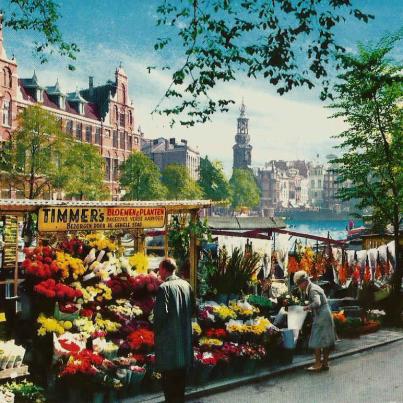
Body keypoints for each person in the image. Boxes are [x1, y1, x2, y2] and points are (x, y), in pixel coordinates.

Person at [153, 257, 194, 403]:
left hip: (169, 347)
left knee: (169, 388)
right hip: (184, 344)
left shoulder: (164, 288)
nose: (159, 272)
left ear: (164, 269)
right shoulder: (186, 285)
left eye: (159, 269)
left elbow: (159, 317)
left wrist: (155, 332)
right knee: (180, 387)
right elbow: (193, 310)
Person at [294, 270, 335, 372]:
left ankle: (317, 364)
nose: (299, 287)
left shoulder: (312, 290)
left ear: (304, 282)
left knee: (316, 340)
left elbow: (317, 302)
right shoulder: (313, 287)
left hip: (321, 316)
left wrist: (307, 307)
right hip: (325, 314)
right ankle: (325, 363)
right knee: (325, 340)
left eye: (299, 284)